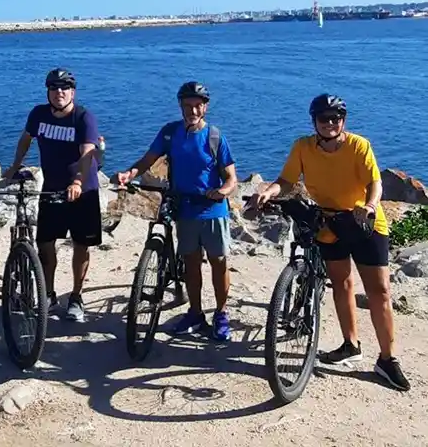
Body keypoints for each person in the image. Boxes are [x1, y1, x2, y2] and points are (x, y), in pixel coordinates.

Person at [249, 94, 410, 391]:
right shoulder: (303, 147)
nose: (330, 123)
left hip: (364, 222)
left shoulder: (359, 145)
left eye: (335, 118)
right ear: (314, 122)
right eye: (323, 118)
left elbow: (375, 182)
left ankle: (387, 359)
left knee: (380, 291)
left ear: (343, 121)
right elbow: (286, 179)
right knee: (342, 284)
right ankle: (350, 344)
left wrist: (372, 204)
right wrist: (269, 191)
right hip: (328, 223)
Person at [116, 81, 237, 341]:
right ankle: (195, 312)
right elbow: (147, 160)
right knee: (191, 264)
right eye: (187, 106)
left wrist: (224, 192)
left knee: (218, 263)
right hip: (185, 208)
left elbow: (231, 178)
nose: (192, 111)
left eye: (197, 106)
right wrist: (129, 173)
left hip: (213, 210)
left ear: (205, 107)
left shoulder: (215, 136)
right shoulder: (170, 133)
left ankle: (221, 313)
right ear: (181, 106)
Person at [2, 68, 101, 322]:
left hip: (83, 191)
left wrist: (78, 181)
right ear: (48, 91)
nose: (59, 92)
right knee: (45, 244)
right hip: (51, 187)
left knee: (81, 245)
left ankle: (77, 296)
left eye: (64, 88)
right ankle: (49, 293)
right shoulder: (38, 114)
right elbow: (26, 139)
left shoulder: (83, 117)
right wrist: (14, 166)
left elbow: (88, 153)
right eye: (54, 88)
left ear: (73, 92)